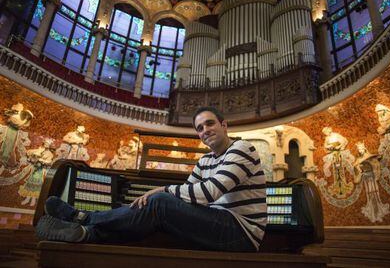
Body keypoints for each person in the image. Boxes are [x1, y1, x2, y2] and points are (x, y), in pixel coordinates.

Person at [35, 106, 267, 252]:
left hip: (240, 232)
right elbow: (186, 197)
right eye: (199, 128)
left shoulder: (242, 148)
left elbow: (208, 194)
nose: (204, 130)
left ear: (224, 125)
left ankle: (87, 218)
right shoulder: (205, 161)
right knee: (153, 214)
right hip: (215, 222)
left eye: (209, 123)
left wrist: (162, 190)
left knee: (160, 202)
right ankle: (89, 234)